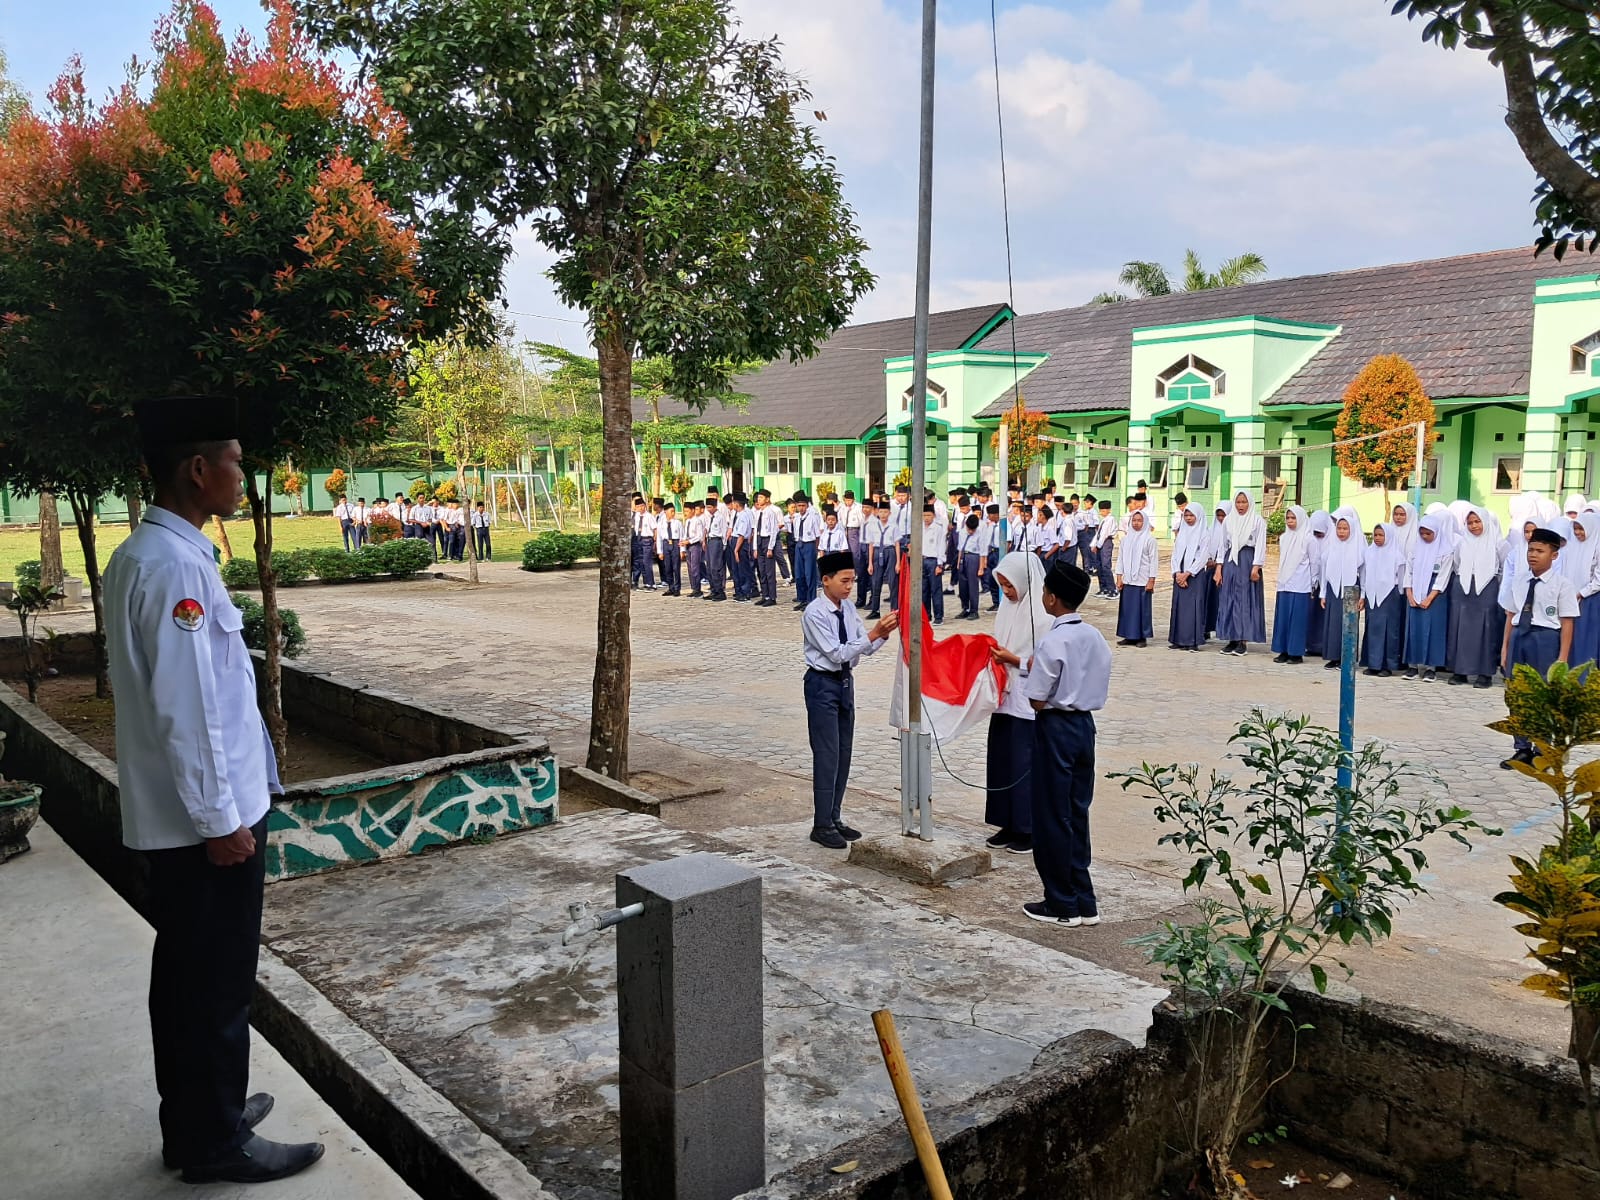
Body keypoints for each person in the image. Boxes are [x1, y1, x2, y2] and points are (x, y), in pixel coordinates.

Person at [105, 396, 324, 1185]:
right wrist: (220, 820)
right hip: (206, 831)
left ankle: (203, 1114)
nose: (244, 474)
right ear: (199, 470)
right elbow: (189, 711)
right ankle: (213, 1141)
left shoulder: (162, 555)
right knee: (215, 983)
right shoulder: (171, 568)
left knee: (191, 977)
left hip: (194, 822)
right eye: (235, 459)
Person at [1022, 560, 1111, 928]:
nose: (1042, 597)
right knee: (1076, 811)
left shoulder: (1054, 639)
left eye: (1044, 591)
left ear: (1053, 599)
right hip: (1084, 727)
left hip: (1056, 726)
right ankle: (1084, 899)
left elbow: (1037, 699)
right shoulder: (1094, 636)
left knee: (1051, 814)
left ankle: (1061, 901)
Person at [803, 551, 898, 849]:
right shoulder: (815, 613)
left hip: (844, 684)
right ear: (826, 581)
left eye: (852, 581)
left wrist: (883, 633)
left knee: (844, 753)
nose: (849, 587)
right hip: (822, 684)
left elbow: (863, 648)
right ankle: (821, 824)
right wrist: (873, 634)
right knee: (827, 754)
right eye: (844, 581)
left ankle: (834, 817)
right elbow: (836, 653)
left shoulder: (847, 609)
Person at [985, 551, 1048, 855]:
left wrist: (1015, 660)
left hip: (1028, 703)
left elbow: (1047, 663)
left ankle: (1028, 828)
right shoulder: (1007, 609)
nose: (1008, 592)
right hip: (1004, 697)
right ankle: (1006, 822)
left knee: (1024, 764)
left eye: (1011, 586)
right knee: (1002, 761)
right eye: (1003, 586)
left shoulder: (1043, 614)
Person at [1500, 527, 1578, 768]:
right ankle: (1521, 748)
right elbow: (1511, 614)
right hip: (1519, 637)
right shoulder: (1519, 580)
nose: (1533, 555)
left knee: (1542, 695)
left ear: (1554, 555)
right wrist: (1505, 648)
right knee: (1517, 695)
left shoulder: (1562, 584)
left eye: (1540, 551)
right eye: (1531, 550)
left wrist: (1562, 657)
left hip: (1545, 639)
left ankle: (1541, 748)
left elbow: (1567, 622)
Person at [1447, 507, 1507, 687]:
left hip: (1488, 588)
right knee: (1461, 629)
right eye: (1470, 522)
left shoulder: (1499, 543)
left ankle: (1484, 673)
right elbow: (1457, 564)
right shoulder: (1461, 543)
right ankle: (1460, 671)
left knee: (1486, 630)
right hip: (1463, 587)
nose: (1473, 526)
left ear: (1486, 522)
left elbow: (1506, 567)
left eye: (1477, 521)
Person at [1214, 491, 1267, 656]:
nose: (1241, 506)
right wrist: (1218, 568)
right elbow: (1223, 546)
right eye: (1238, 502)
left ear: (1250, 503)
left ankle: (1242, 640)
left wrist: (1256, 566)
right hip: (1231, 562)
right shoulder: (1229, 521)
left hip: (1247, 561)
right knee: (1229, 598)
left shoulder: (1257, 521)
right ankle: (1231, 638)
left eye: (1244, 502)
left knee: (1244, 600)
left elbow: (1260, 545)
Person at [1403, 512, 1455, 681]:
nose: (1425, 536)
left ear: (1437, 532)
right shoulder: (1415, 548)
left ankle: (1430, 668)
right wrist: (1409, 593)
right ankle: (1412, 665)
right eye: (1422, 533)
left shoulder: (1446, 550)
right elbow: (1408, 572)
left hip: (1435, 595)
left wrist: (1430, 597)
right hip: (1415, 591)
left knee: (1433, 630)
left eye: (1429, 533)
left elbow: (1443, 576)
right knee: (1414, 629)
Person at [1318, 507, 1364, 670]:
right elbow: (1324, 571)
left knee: (1348, 624)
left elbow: (1363, 573)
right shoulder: (1331, 546)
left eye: (1345, 528)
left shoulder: (1359, 547)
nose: (1341, 532)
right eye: (1339, 528)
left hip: (1351, 590)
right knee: (1333, 623)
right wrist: (1323, 593)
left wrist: (1363, 595)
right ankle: (1333, 656)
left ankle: (1347, 658)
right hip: (1333, 589)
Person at [1360, 523, 1407, 676]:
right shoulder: (1369, 552)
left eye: (1381, 535)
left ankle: (1387, 665)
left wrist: (1399, 595)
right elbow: (1364, 575)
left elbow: (1401, 578)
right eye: (1376, 535)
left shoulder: (1397, 555)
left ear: (1389, 536)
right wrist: (1363, 594)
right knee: (1372, 628)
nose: (1378, 538)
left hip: (1390, 596)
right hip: (1371, 595)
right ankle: (1372, 663)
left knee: (1389, 630)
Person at [1270, 505, 1314, 665]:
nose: (1290, 521)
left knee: (1297, 620)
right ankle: (1283, 650)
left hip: (1301, 585)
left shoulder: (1309, 538)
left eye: (1293, 518)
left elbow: (1314, 562)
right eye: (1288, 518)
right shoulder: (1284, 537)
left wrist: (1314, 582)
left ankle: (1296, 653)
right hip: (1284, 583)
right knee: (1282, 619)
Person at [1167, 502, 1210, 651]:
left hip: (1194, 576)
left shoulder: (1204, 534)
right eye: (1186, 515)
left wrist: (1188, 573)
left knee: (1193, 608)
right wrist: (1177, 573)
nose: (1189, 518)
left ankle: (1192, 641)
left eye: (1192, 515)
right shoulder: (1182, 533)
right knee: (1179, 607)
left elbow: (1203, 556)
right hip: (1180, 576)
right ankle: (1178, 639)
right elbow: (1175, 554)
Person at [1114, 508, 1158, 646]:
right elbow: (1120, 559)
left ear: (1145, 522)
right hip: (1128, 580)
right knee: (1127, 609)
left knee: (1141, 609)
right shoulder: (1126, 539)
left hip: (1143, 580)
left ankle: (1141, 637)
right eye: (1134, 520)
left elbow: (1154, 561)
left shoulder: (1150, 540)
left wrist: (1151, 580)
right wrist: (1119, 577)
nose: (1136, 523)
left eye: (1139, 520)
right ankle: (1128, 635)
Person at [791, 492, 821, 609]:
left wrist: (816, 550)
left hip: (809, 545)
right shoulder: (797, 518)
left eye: (803, 505)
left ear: (807, 506)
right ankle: (802, 599)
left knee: (810, 574)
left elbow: (817, 535)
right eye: (799, 506)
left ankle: (811, 600)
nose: (801, 508)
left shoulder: (813, 517)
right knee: (799, 574)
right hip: (799, 544)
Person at [753, 489, 781, 607]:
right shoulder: (759, 512)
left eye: (761, 498)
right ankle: (765, 595)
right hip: (759, 541)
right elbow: (756, 531)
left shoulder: (770, 512)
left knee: (769, 572)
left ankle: (772, 596)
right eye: (758, 498)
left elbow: (774, 531)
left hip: (767, 541)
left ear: (767, 499)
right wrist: (755, 547)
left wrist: (770, 547)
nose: (759, 500)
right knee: (762, 571)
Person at [920, 504, 946, 625]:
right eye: (924, 515)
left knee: (935, 590)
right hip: (922, 560)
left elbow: (941, 546)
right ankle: (926, 615)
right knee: (923, 590)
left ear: (933, 516)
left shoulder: (938, 528)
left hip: (933, 561)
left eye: (929, 515)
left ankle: (938, 616)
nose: (926, 518)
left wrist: (940, 564)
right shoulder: (919, 528)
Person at [956, 512, 984, 620]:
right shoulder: (962, 532)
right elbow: (960, 548)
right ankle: (965, 608)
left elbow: (982, 552)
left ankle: (974, 610)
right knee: (962, 586)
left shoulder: (980, 533)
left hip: (974, 558)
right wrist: (958, 562)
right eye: (969, 529)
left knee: (972, 585)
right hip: (963, 557)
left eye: (973, 530)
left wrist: (981, 567)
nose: (970, 531)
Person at [1091, 499, 1117, 598]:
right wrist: (1094, 544)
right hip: (1100, 543)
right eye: (1101, 510)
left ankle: (1112, 589)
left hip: (1106, 543)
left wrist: (1098, 546)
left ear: (1109, 510)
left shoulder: (1110, 520)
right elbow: (1098, 534)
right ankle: (1103, 588)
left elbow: (1104, 534)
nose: (1102, 512)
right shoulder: (1103, 520)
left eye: (1104, 510)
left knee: (1106, 566)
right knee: (1099, 566)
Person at [705, 493, 728, 602]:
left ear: (715, 507)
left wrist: (723, 545)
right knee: (709, 567)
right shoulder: (709, 517)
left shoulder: (720, 517)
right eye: (707, 507)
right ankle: (713, 590)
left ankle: (720, 591)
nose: (708, 509)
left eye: (709, 507)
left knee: (715, 567)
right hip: (709, 541)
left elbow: (724, 531)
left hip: (717, 541)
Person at [685, 499, 708, 599]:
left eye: (687, 511)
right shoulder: (687, 521)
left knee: (695, 568)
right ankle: (693, 587)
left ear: (693, 510)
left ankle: (697, 589)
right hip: (688, 546)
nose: (685, 513)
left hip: (695, 545)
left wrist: (689, 541)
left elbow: (699, 536)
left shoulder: (697, 521)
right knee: (690, 568)